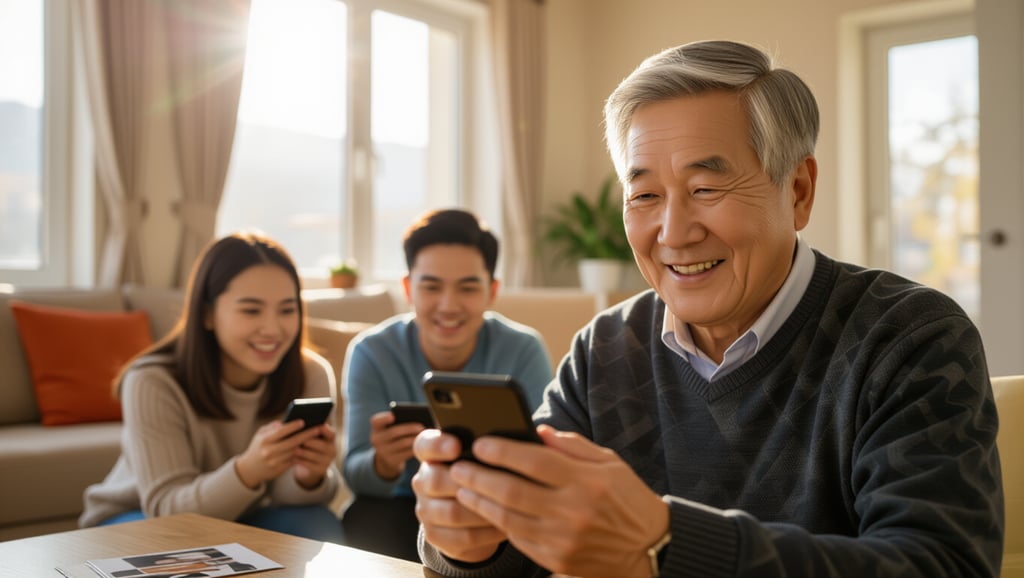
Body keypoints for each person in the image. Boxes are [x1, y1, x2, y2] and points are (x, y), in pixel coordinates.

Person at [411, 40, 1003, 577]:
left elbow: (942, 564)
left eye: (705, 189)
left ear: (798, 191)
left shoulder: (910, 338)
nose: (673, 232)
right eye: (644, 195)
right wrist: (470, 542)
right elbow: (526, 546)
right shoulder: (606, 350)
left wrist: (664, 545)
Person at [79, 231, 346, 544]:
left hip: (250, 513)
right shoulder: (152, 381)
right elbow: (167, 509)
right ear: (207, 313)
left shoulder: (309, 372)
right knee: (172, 542)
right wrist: (248, 470)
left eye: (287, 310)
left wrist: (308, 476)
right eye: (251, 310)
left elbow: (290, 499)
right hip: (139, 516)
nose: (273, 329)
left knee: (316, 523)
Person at [342, 208, 554, 561]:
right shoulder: (371, 351)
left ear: (492, 291)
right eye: (431, 286)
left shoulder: (524, 349)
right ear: (408, 289)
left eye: (468, 287)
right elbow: (355, 475)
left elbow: (543, 460)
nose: (448, 305)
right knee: (364, 518)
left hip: (496, 505)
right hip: (399, 506)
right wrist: (383, 463)